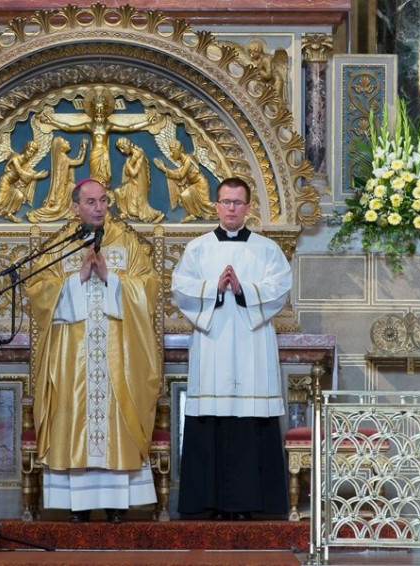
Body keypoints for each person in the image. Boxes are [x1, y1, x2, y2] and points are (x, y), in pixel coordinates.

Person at [24, 178, 162, 523]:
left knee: (117, 420)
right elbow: (37, 291)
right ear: (75, 207)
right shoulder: (58, 247)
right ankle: (79, 505)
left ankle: (117, 504)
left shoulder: (128, 243)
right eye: (91, 202)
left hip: (118, 356)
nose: (99, 208)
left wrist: (113, 278)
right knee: (75, 418)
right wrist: (77, 279)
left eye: (103, 201)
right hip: (74, 359)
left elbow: (150, 287)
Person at [171, 177, 292, 520]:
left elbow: (280, 287)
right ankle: (205, 504)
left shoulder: (267, 249)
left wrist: (243, 290)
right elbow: (180, 288)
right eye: (226, 201)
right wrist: (214, 287)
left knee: (250, 422)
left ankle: (251, 505)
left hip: (253, 346)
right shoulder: (198, 248)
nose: (231, 208)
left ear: (248, 207)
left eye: (238, 202)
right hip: (213, 344)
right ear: (216, 205)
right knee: (211, 419)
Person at [0, 140, 49, 223]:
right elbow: (21, 173)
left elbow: (28, 172)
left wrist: (36, 175)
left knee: (19, 196)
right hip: (4, 182)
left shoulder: (25, 163)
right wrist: (36, 176)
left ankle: (9, 214)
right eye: (30, 151)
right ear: (25, 149)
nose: (31, 154)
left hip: (12, 184)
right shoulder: (15, 158)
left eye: (33, 153)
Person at [153, 140, 217, 223]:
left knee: (206, 203)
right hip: (194, 184)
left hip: (201, 184)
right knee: (184, 195)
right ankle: (193, 215)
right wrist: (165, 169)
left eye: (173, 151)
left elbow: (181, 175)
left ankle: (223, 209)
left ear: (178, 151)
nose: (171, 154)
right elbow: (178, 171)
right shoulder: (184, 161)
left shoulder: (188, 159)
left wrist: (164, 169)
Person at [27, 136, 88, 223]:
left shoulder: (61, 156)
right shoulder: (63, 157)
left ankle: (74, 212)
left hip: (65, 185)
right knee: (57, 208)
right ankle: (34, 214)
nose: (67, 142)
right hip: (60, 188)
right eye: (64, 141)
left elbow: (77, 160)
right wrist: (83, 149)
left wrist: (82, 149)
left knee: (73, 187)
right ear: (61, 147)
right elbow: (79, 161)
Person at [114, 137, 164, 223]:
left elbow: (133, 173)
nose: (122, 151)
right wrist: (129, 164)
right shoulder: (133, 156)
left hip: (139, 185)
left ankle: (157, 214)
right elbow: (127, 173)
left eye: (122, 148)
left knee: (142, 209)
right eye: (120, 149)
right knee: (117, 191)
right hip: (133, 183)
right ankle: (125, 213)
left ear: (128, 145)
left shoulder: (139, 154)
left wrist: (127, 164)